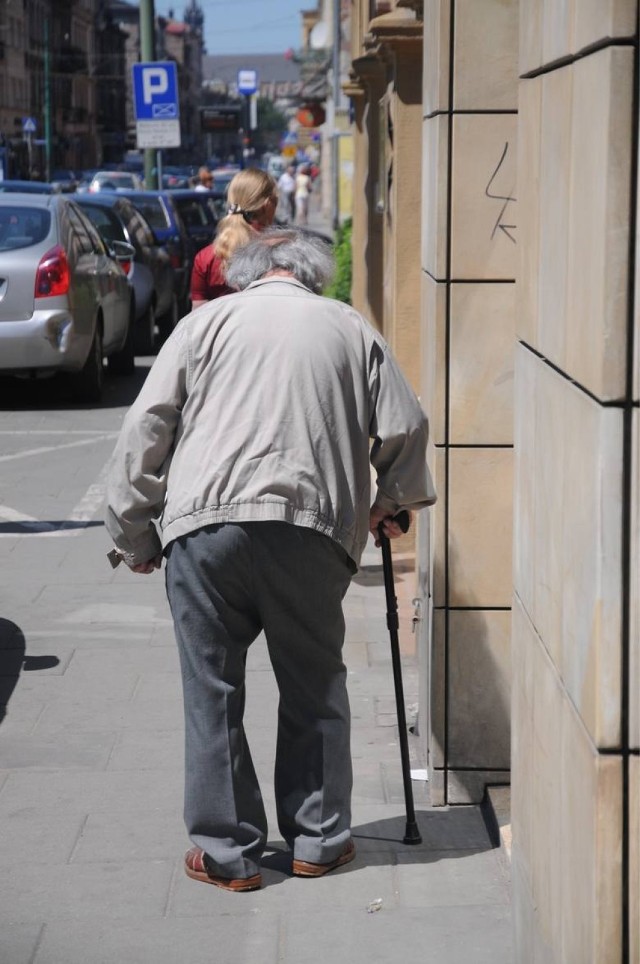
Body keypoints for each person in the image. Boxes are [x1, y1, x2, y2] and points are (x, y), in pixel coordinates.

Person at [104, 228, 436, 893]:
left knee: (212, 691)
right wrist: (392, 502)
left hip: (205, 529)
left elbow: (146, 425)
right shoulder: (347, 326)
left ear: (246, 272)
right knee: (314, 684)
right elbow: (405, 423)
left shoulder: (206, 325)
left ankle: (227, 854)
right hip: (309, 529)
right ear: (312, 273)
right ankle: (317, 840)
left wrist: (133, 532)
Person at [189, 167, 278, 309]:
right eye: (276, 200)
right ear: (266, 206)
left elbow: (198, 313)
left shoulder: (205, 257)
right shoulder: (281, 253)